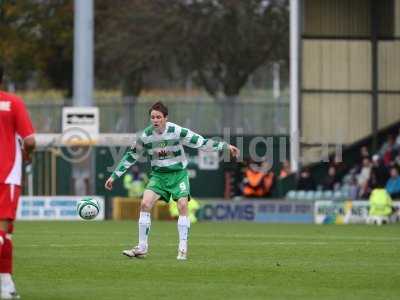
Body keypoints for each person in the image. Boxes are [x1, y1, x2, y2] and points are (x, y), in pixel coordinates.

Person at [105, 102, 239, 260]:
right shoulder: (145, 136)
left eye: (159, 117)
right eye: (153, 117)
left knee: (182, 205)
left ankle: (182, 248)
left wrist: (225, 146)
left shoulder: (177, 131)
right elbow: (130, 156)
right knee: (145, 204)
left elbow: (201, 142)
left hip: (178, 174)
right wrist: (114, 176)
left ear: (166, 118)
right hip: (158, 176)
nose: (155, 120)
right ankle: (142, 247)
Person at [0, 64, 35, 299]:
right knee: (3, 231)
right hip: (6, 175)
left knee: (6, 234)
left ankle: (6, 285)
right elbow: (30, 139)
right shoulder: (12, 102)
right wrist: (28, 155)